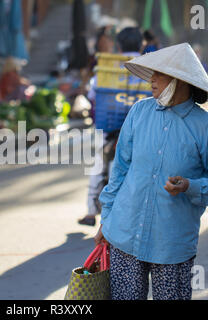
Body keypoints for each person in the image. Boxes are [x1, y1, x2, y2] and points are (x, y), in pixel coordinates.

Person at [94, 43, 208, 300]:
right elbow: (120, 169)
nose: (151, 80)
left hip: (172, 245)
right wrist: (107, 217)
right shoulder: (139, 112)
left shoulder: (207, 128)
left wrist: (189, 186)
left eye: (159, 74)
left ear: (180, 81)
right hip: (124, 234)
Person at [79, 27, 146, 226]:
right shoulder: (149, 68)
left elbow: (92, 96)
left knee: (98, 164)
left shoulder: (107, 66)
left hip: (109, 124)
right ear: (141, 44)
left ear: (118, 45)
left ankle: (91, 212)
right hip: (141, 128)